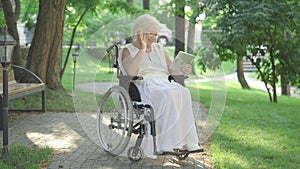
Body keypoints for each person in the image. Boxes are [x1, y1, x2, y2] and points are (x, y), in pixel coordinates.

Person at [120, 14, 200, 158]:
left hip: (164, 82)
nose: (154, 37)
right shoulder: (128, 49)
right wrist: (143, 49)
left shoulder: (159, 48)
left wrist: (183, 69)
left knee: (183, 92)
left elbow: (172, 71)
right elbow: (130, 73)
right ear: (139, 31)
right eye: (151, 33)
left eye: (156, 34)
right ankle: (167, 143)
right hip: (144, 85)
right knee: (166, 95)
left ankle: (187, 141)